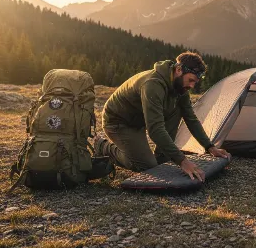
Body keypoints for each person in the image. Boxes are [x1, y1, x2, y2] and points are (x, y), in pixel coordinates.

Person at [94, 51, 231, 182]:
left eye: (195, 82)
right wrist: (182, 161)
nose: (192, 85)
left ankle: (162, 157)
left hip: (139, 120)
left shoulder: (180, 87)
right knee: (147, 166)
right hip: (119, 122)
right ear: (178, 70)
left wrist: (210, 147)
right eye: (190, 80)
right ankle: (103, 147)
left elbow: (191, 118)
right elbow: (155, 129)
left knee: (178, 110)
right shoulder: (152, 84)